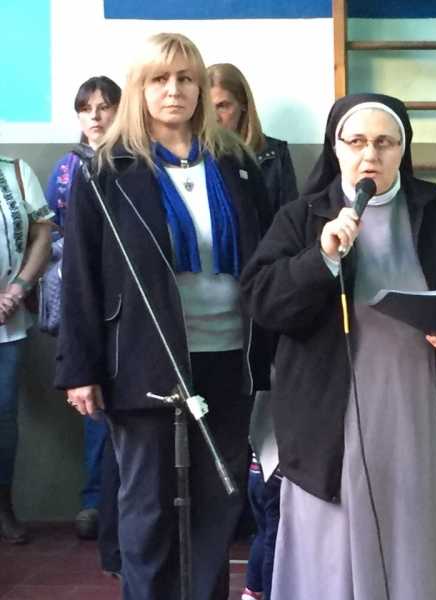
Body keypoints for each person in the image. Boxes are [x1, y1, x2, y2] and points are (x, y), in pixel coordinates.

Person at [240, 93, 436, 600]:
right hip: (332, 412)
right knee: (335, 544)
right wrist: (321, 259)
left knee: (418, 532)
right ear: (336, 148)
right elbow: (263, 301)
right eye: (358, 142)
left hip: (423, 407)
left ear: (403, 150)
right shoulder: (302, 218)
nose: (371, 155)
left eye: (385, 143)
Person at [55, 33, 273, 600]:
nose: (173, 90)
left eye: (185, 78)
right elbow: (80, 277)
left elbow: (267, 261)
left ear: (200, 87)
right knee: (149, 512)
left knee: (216, 508)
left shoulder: (236, 164)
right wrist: (80, 369)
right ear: (139, 88)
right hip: (142, 365)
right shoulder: (107, 170)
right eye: (159, 79)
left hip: (229, 358)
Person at [206, 62, 296, 600]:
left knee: (262, 421)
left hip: (265, 300)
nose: (216, 114)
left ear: (242, 107)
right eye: (210, 105)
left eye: (224, 105)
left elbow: (284, 225)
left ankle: (260, 524)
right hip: (219, 307)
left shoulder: (271, 154)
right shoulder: (198, 158)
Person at [44, 76, 122, 553]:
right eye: (86, 108)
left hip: (127, 302)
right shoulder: (68, 168)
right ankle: (95, 500)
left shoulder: (135, 162)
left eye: (104, 106)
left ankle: (120, 501)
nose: (95, 116)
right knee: (92, 402)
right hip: (82, 297)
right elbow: (52, 229)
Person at [0, 156, 53, 544]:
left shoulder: (16, 171)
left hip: (8, 320)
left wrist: (17, 290)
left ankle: (3, 506)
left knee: (4, 420)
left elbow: (42, 235)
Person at [208, 63, 298, 211]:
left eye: (223, 106)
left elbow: (290, 217)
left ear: (243, 104)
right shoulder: (195, 156)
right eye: (207, 108)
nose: (214, 117)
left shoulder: (274, 155)